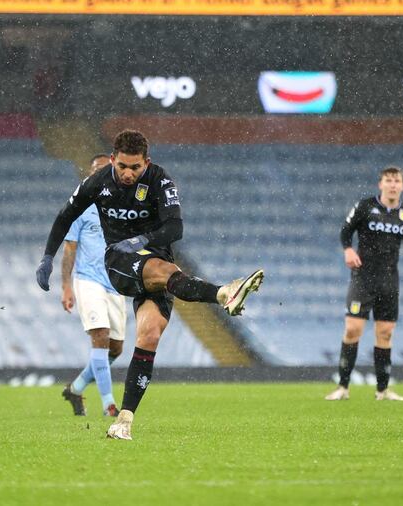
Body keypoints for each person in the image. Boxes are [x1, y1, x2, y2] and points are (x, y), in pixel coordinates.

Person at [36, 130, 263, 440]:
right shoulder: (98, 181)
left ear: (147, 162)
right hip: (118, 262)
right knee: (161, 269)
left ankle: (123, 422)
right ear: (113, 160)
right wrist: (47, 258)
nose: (128, 174)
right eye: (123, 167)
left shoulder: (160, 179)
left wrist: (142, 240)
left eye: (136, 168)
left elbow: (175, 226)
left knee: (150, 334)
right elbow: (65, 216)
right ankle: (224, 292)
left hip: (154, 261)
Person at [325, 166, 403, 401]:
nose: (392, 184)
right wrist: (348, 249)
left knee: (385, 333)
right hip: (363, 279)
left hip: (389, 280)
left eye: (396, 180)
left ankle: (382, 391)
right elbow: (345, 230)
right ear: (380, 184)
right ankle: (342, 387)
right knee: (353, 329)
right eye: (388, 180)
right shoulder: (365, 207)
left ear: (402, 186)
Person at [60, 154, 126, 417]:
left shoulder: (123, 208)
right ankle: (109, 405)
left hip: (115, 283)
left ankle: (75, 389)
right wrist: (66, 286)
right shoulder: (79, 207)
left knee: (116, 348)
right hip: (88, 281)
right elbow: (69, 249)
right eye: (95, 172)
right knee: (100, 337)